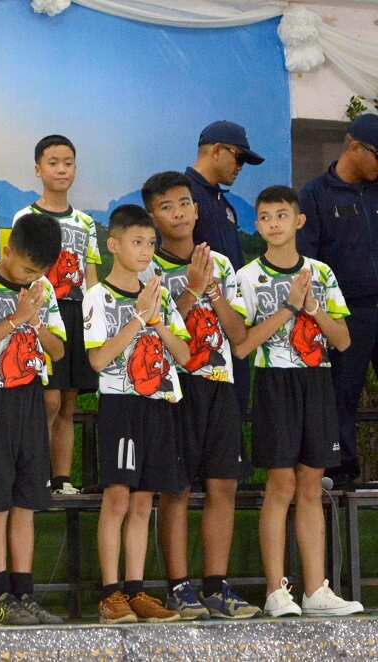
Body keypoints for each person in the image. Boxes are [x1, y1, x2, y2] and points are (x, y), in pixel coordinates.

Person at [232, 185, 364, 617]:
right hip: (274, 382)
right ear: (257, 224)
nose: (274, 223)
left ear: (299, 221)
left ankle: (316, 590)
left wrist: (313, 307)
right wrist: (288, 308)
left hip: (316, 382)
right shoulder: (248, 276)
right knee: (280, 485)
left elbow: (342, 340)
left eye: (282, 215)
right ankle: (275, 591)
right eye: (266, 216)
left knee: (310, 485)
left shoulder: (321, 273)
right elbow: (243, 345)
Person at [140, 172, 260, 620]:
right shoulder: (149, 268)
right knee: (177, 488)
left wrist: (212, 288)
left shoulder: (222, 265)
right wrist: (190, 288)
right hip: (173, 388)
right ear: (153, 216)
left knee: (223, 484)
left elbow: (238, 334)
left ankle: (216, 585)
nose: (180, 213)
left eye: (185, 204)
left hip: (219, 383)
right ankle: (178, 587)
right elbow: (161, 330)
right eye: (167, 206)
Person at [84, 205, 190, 624]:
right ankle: (110, 594)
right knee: (118, 497)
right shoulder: (99, 296)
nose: (146, 251)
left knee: (145, 499)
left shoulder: (158, 294)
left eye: (150, 244)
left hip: (158, 402)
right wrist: (137, 318)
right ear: (114, 245)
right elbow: (98, 360)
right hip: (120, 405)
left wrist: (158, 320)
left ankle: (136, 589)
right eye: (137, 242)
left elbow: (184, 355)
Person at [0, 212, 64, 626]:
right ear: (8, 249)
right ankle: (0, 597)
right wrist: (14, 320)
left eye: (37, 272)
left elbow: (57, 352)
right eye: (24, 269)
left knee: (26, 503)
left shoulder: (42, 288)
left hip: (29, 398)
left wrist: (36, 320)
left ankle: (25, 593)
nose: (28, 278)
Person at [12, 135, 100, 496]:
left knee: (67, 399)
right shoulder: (26, 217)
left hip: (76, 313)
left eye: (68, 162)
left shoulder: (85, 222)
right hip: (41, 316)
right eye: (53, 162)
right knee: (46, 399)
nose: (61, 169)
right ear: (38, 169)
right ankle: (34, 473)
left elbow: (91, 277)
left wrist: (98, 321)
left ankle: (61, 478)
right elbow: (16, 271)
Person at [298, 114, 378, 488]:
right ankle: (341, 468)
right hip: (347, 312)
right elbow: (306, 259)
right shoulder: (314, 196)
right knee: (343, 391)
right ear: (355, 147)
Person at [186, 120, 264, 415]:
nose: (241, 166)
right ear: (217, 150)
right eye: (239, 157)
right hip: (200, 331)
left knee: (232, 418)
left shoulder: (223, 202)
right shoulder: (183, 194)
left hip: (231, 325)